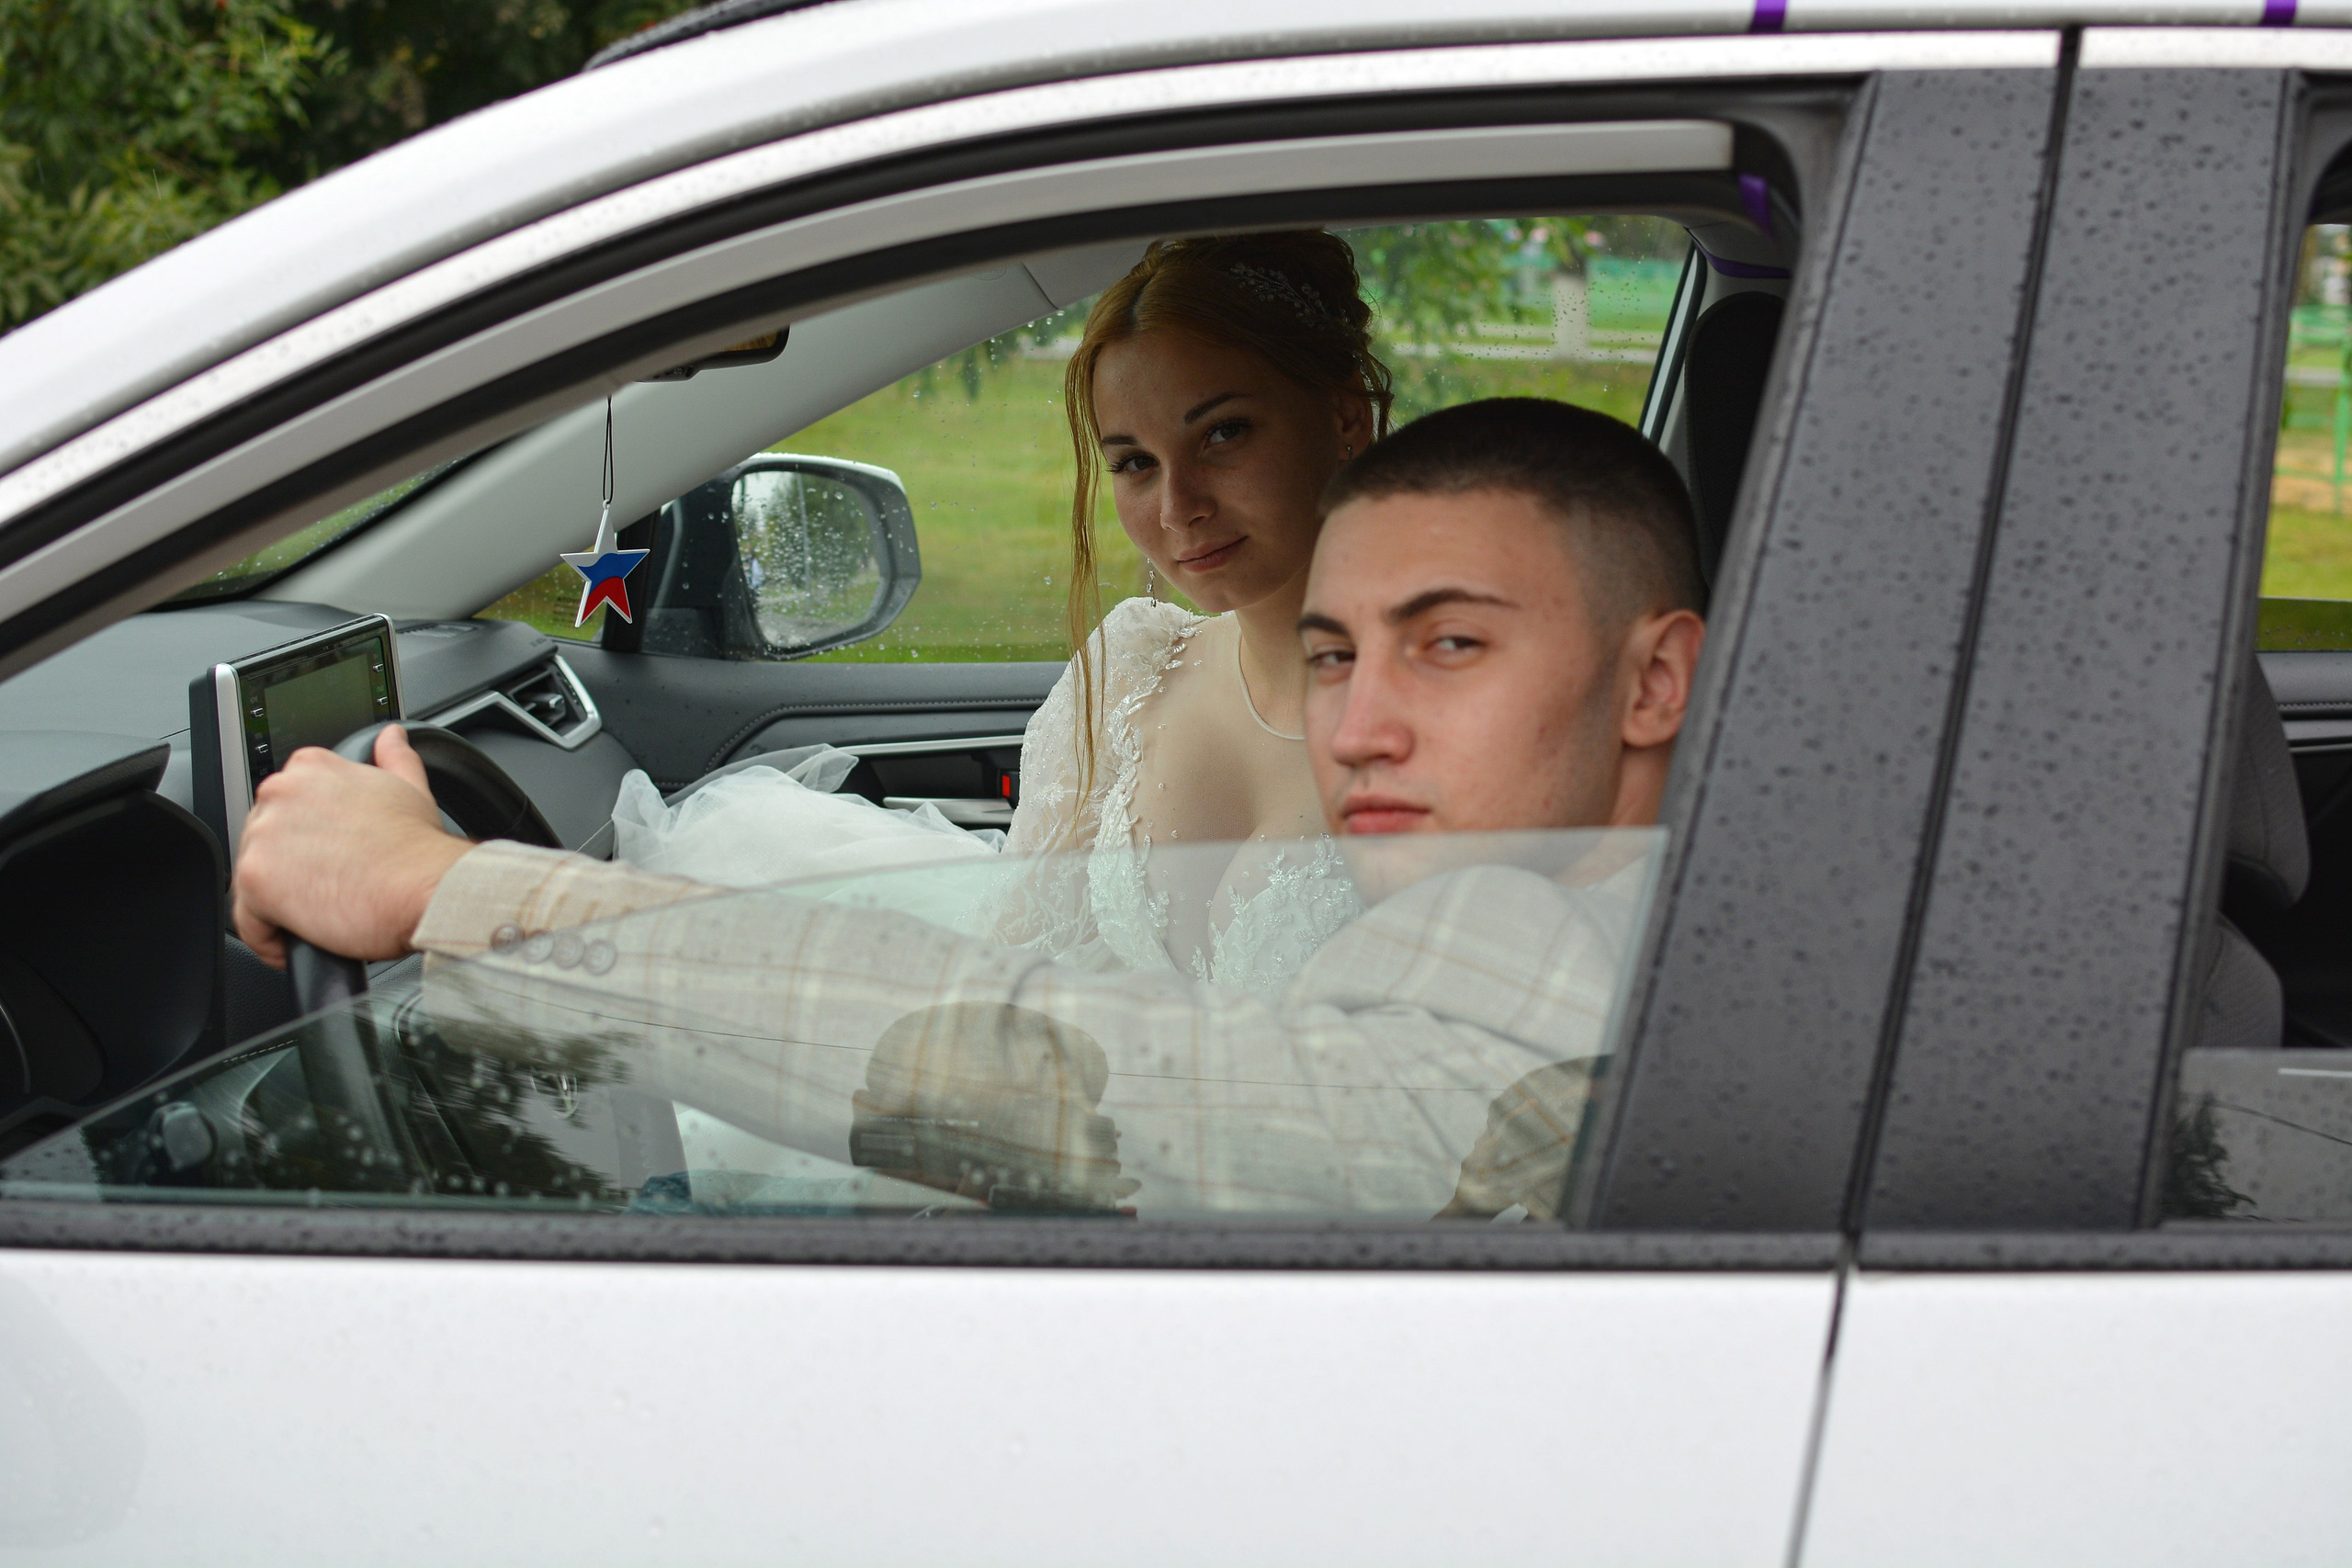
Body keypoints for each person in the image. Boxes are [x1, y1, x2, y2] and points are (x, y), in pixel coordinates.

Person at [232, 398, 1706, 1218]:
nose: (1360, 729)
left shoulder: (1544, 950)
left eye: (1450, 645)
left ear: (1655, 681)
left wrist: (448, 890)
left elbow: (1055, 1068)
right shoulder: (1604, 906)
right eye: (1332, 656)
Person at [625, 231, 1389, 988]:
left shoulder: (1442, 714)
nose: (1176, 506)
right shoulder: (1133, 671)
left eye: (1223, 433)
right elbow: (1008, 972)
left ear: (1345, 417)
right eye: (1135, 463)